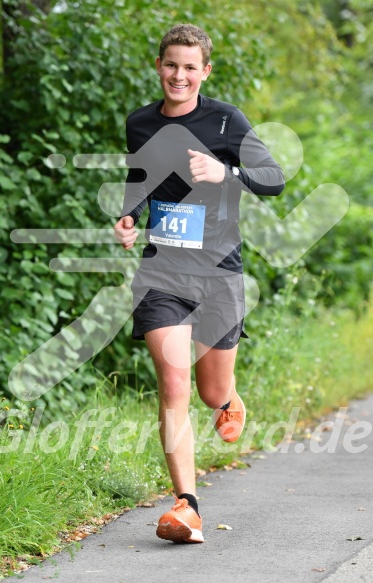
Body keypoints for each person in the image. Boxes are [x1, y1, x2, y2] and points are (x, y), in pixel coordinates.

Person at [114, 23, 284, 544]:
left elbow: (273, 179)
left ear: (205, 71)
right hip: (162, 273)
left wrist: (226, 175)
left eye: (190, 67)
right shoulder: (140, 123)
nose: (179, 75)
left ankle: (230, 398)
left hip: (219, 275)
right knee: (172, 385)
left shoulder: (226, 121)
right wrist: (128, 216)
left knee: (210, 392)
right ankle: (186, 506)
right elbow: (141, 180)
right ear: (159, 66)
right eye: (171, 64)